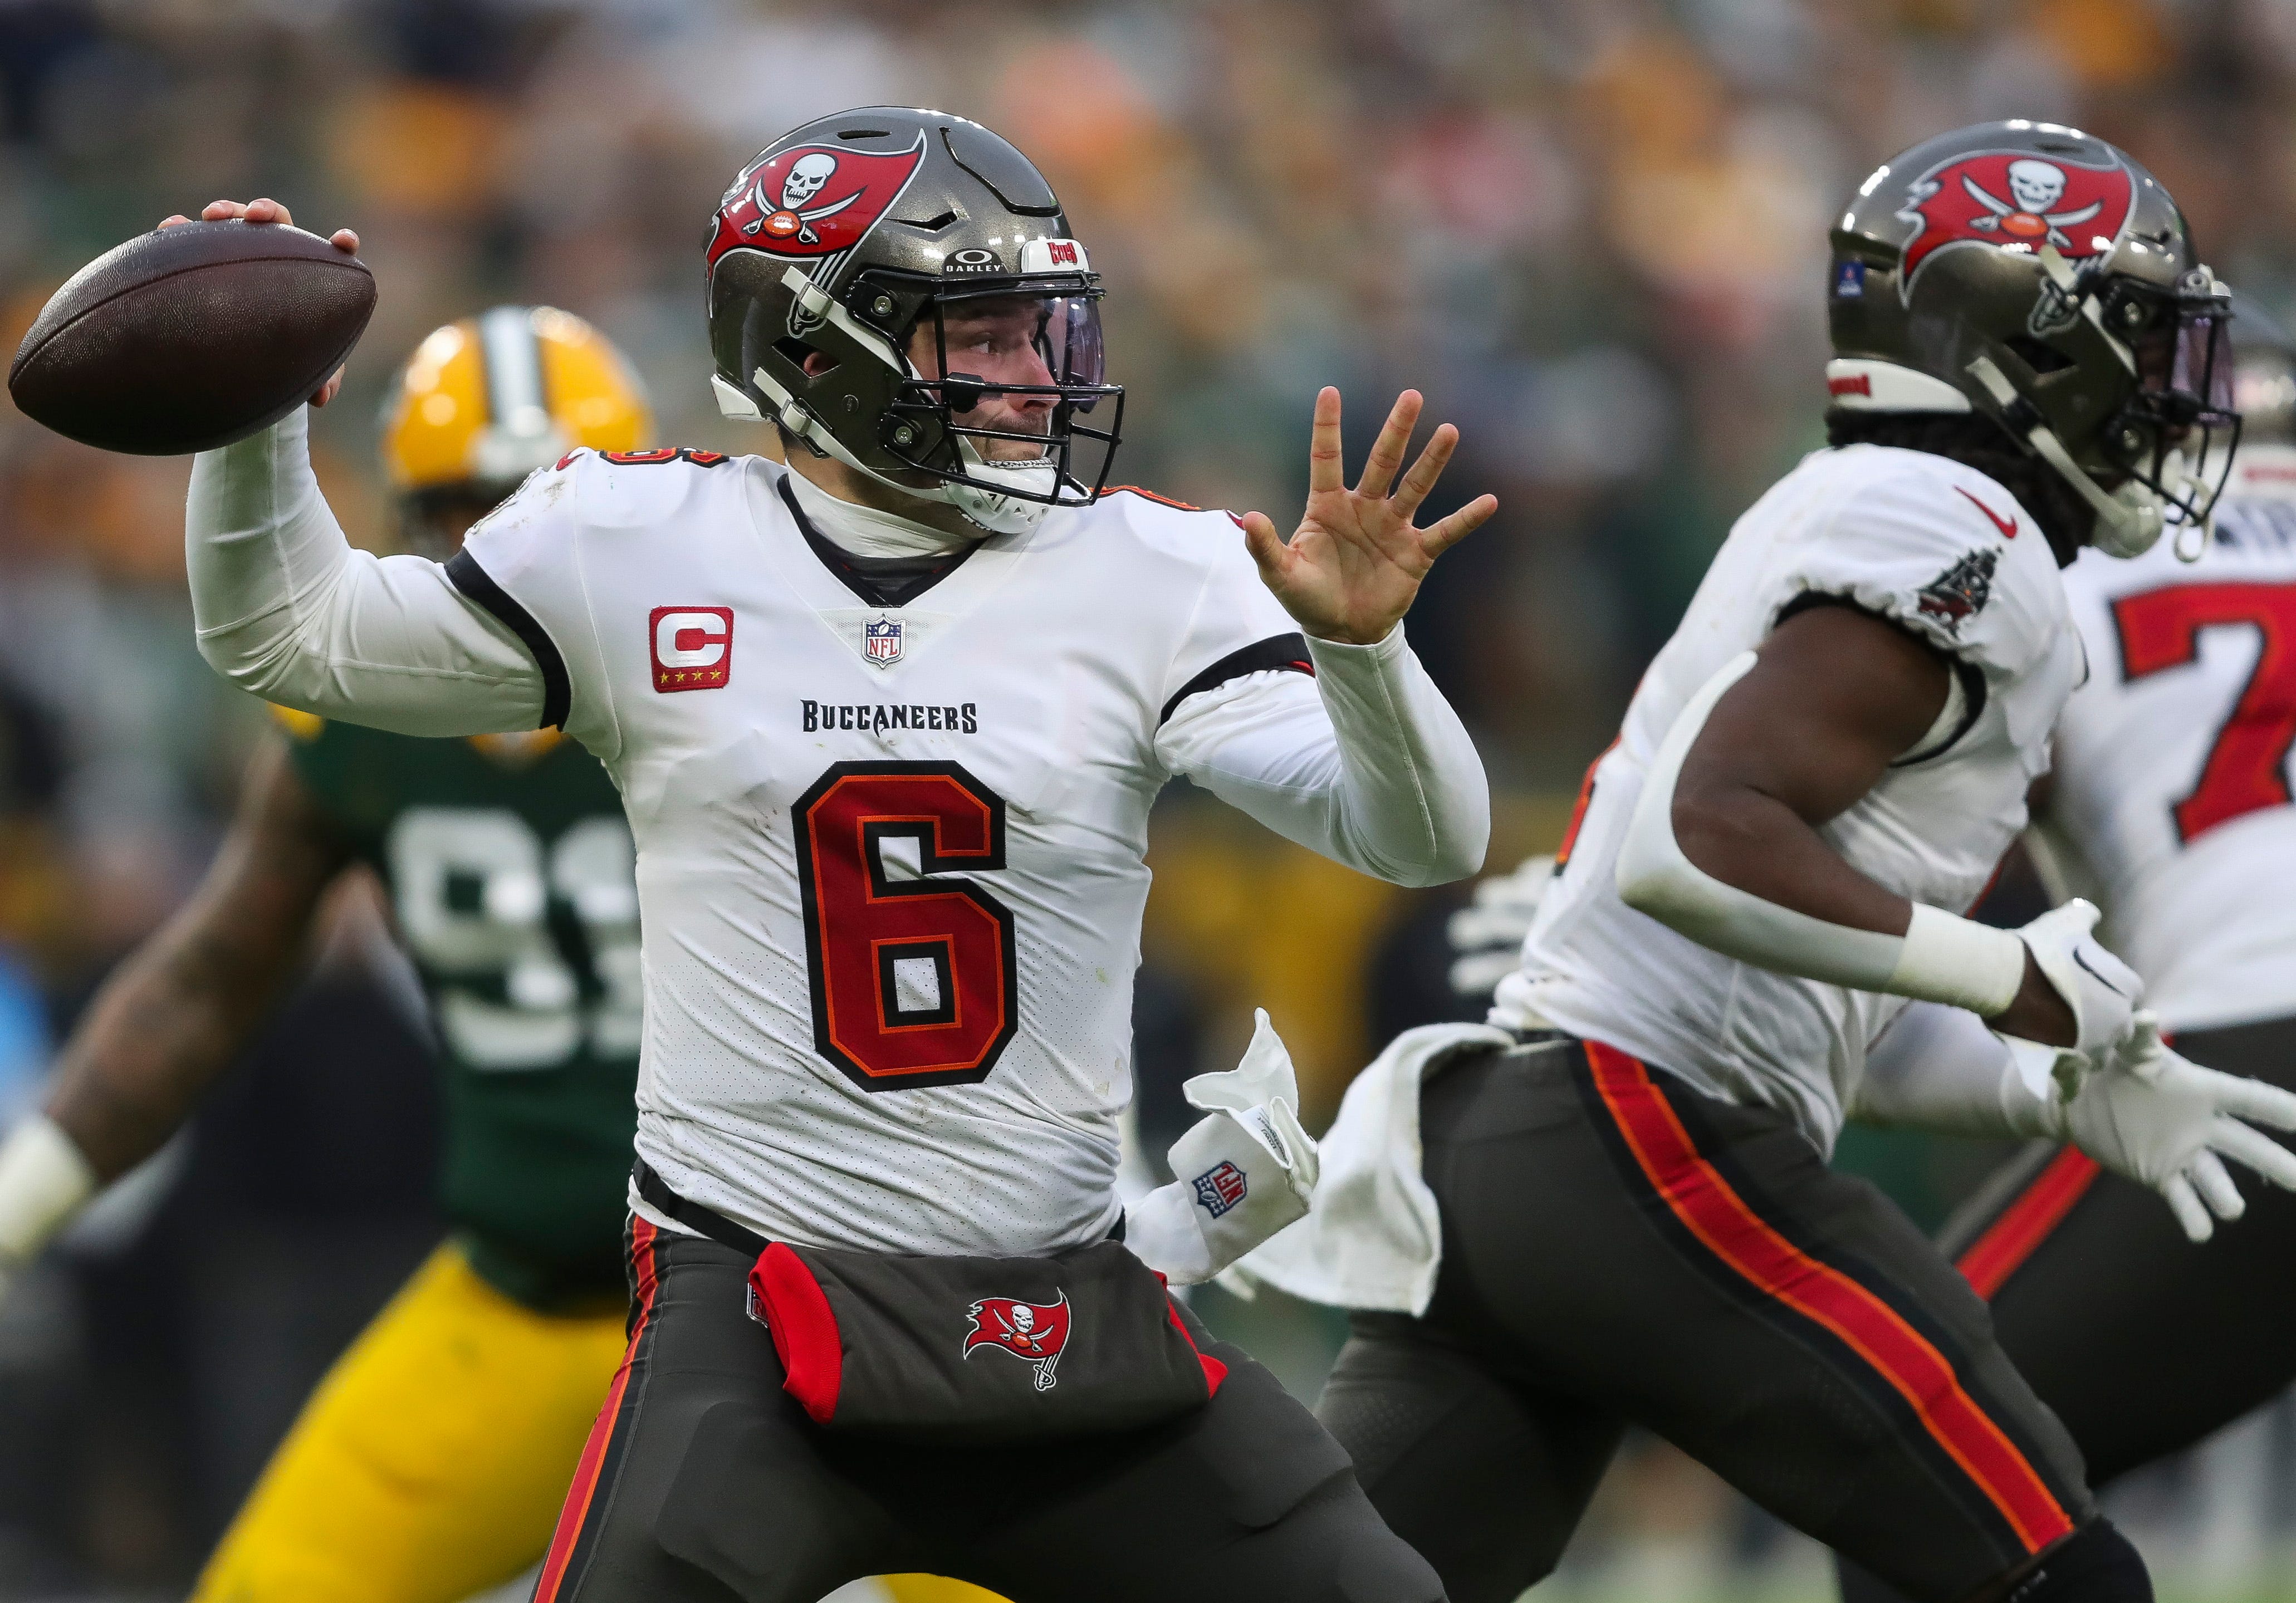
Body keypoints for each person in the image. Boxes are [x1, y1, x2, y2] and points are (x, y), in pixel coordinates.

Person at [160, 105, 1492, 1603]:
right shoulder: (637, 545)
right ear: (811, 352)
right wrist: (252, 411)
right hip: (755, 1320)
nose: (1025, 378)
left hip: (1063, 1312)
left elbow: (1419, 834)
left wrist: (1367, 660)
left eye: (1038, 331)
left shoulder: (1148, 569)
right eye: (970, 336)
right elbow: (289, 631)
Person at [1265, 121, 2292, 1603]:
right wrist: (2013, 978)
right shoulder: (1959, 526)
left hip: (1527, 1158)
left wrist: (2052, 1080)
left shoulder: (1883, 511)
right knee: (2056, 1580)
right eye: (2132, 339)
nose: (2166, 389)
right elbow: (1707, 841)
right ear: (2012, 345)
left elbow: (1814, 988)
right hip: (1646, 1143)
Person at [1827, 311, 2296, 1603]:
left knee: (1918, 1468)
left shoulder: (2054, 570)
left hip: (2260, 1043)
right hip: (2251, 1022)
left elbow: (1875, 895)